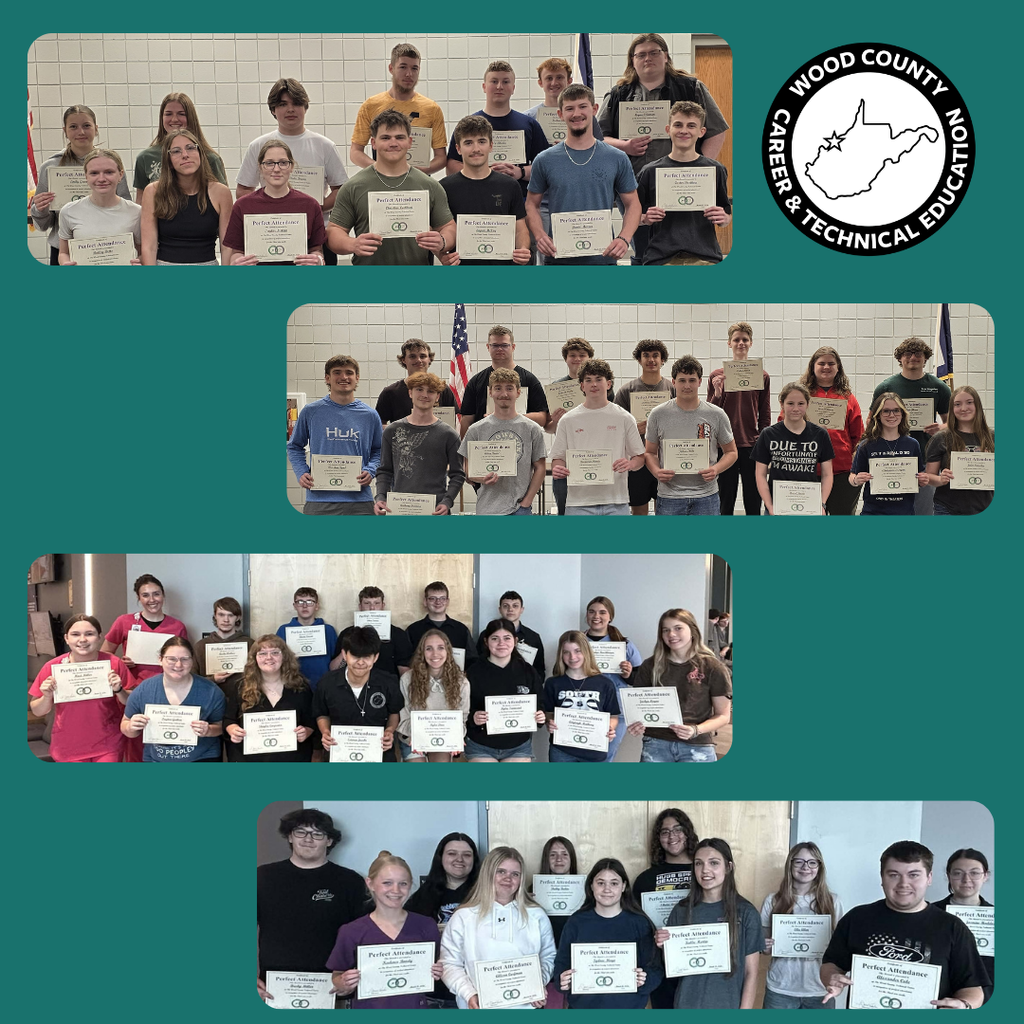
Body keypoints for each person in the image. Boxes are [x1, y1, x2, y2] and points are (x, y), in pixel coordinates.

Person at [598, 33, 729, 262]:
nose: (647, 58)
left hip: (685, 181)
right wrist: (625, 146)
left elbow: (717, 130)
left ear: (666, 56)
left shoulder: (691, 87)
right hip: (634, 185)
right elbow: (598, 138)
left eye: (654, 52)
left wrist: (699, 168)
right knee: (642, 248)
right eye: (641, 54)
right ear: (632, 60)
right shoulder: (619, 94)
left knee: (688, 244)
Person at [820, 841, 988, 1008]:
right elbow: (831, 964)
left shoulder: (953, 927)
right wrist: (831, 979)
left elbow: (973, 988)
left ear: (929, 878)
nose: (903, 884)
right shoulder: (857, 918)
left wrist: (964, 1005)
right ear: (882, 878)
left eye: (914, 875)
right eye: (893, 875)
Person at [257, 808, 368, 1003]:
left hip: (334, 988)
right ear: (290, 836)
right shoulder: (263, 877)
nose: (308, 839)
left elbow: (364, 936)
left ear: (329, 841)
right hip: (273, 989)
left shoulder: (350, 881)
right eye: (300, 832)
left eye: (317, 834)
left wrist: (352, 979)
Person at [236, 78, 347, 264]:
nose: (290, 109)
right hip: (271, 234)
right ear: (273, 109)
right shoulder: (258, 145)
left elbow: (341, 190)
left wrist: (314, 208)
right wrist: (272, 209)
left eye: (296, 103)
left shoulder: (324, 146)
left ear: (305, 107)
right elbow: (243, 191)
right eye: (282, 104)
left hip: (316, 236)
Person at [527, 84, 640, 265]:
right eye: (569, 109)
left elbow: (633, 203)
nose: (576, 113)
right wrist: (540, 235)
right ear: (560, 114)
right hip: (558, 260)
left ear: (594, 109)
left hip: (603, 260)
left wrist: (624, 238)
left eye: (582, 106)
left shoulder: (617, 157)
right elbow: (532, 204)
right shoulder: (544, 159)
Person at [329, 108, 455, 266]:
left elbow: (448, 226)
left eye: (400, 137)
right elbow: (334, 231)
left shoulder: (429, 185)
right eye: (385, 138)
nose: (393, 143)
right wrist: (353, 244)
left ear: (410, 142)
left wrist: (443, 241)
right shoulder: (353, 187)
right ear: (374, 143)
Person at [440, 846, 556, 1009]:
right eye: (501, 871)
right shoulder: (463, 916)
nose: (508, 878)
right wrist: (469, 993)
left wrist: (538, 983)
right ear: (487, 874)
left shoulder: (536, 915)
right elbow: (449, 963)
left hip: (526, 1008)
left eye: (515, 874)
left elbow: (548, 956)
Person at [327, 851, 444, 1009]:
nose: (396, 890)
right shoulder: (352, 931)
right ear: (370, 884)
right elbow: (337, 976)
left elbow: (438, 965)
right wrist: (345, 982)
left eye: (403, 883)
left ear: (411, 885)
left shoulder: (426, 925)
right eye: (387, 883)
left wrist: (438, 971)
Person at [657, 838, 764, 1009]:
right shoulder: (681, 910)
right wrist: (665, 946)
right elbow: (673, 967)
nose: (705, 870)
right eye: (699, 863)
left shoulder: (746, 912)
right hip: (686, 1006)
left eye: (714, 863)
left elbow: (751, 973)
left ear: (728, 867)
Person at [556, 858, 663, 1009]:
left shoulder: (640, 923)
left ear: (623, 886)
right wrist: (562, 980)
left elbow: (656, 970)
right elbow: (561, 965)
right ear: (591, 885)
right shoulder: (576, 922)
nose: (607, 889)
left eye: (614, 883)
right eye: (600, 883)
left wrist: (644, 980)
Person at [102, 573, 188, 761]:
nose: (152, 599)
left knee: (165, 744)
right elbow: (104, 655)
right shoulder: (124, 622)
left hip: (167, 692)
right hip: (132, 692)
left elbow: (184, 660)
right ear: (138, 598)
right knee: (135, 744)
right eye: (145, 595)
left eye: (156, 594)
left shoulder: (177, 626)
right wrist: (121, 663)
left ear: (163, 595)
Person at [525, 58, 604, 259]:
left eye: (559, 77)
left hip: (580, 203)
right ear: (540, 82)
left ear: (569, 80)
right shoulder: (529, 119)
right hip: (544, 202)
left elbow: (599, 153)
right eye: (549, 78)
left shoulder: (587, 119)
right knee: (548, 256)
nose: (554, 82)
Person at [31, 105, 132, 264]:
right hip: (64, 250)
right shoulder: (51, 167)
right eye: (73, 127)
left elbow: (126, 210)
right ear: (65, 131)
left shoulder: (111, 164)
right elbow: (43, 225)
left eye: (86, 125)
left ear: (96, 129)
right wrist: (40, 209)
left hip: (108, 248)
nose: (81, 132)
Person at [628, 609, 731, 763]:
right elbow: (640, 708)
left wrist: (695, 730)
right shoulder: (650, 666)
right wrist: (637, 723)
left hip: (697, 746)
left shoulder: (713, 667)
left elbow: (723, 716)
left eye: (678, 628)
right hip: (656, 743)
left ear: (693, 630)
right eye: (666, 630)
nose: (671, 634)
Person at [636, 100, 731, 264]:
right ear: (668, 129)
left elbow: (726, 214)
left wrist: (724, 219)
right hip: (661, 259)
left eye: (691, 126)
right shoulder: (649, 171)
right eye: (678, 125)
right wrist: (645, 218)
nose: (684, 131)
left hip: (706, 258)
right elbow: (633, 217)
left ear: (701, 132)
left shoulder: (716, 170)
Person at [286, 355, 383, 515]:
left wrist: (371, 469)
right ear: (327, 378)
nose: (344, 377)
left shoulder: (370, 415)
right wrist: (301, 472)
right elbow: (294, 446)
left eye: (349, 372)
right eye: (337, 372)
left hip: (360, 501)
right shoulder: (311, 412)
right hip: (319, 500)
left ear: (357, 378)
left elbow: (379, 450)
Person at [28, 614, 130, 762]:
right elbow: (37, 711)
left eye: (89, 634)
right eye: (75, 634)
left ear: (99, 637)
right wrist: (47, 696)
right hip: (68, 745)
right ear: (66, 638)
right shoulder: (53, 667)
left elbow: (131, 702)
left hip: (108, 744)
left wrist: (119, 690)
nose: (82, 640)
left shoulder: (114, 663)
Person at [551, 359, 646, 515]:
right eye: (588, 380)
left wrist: (630, 464)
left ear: (608, 384)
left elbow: (639, 457)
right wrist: (558, 468)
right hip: (578, 503)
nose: (593, 384)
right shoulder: (568, 420)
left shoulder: (624, 418)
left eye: (598, 379)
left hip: (616, 501)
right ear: (582, 386)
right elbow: (558, 458)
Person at [646, 355, 737, 515]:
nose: (687, 385)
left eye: (692, 380)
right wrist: (656, 471)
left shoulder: (716, 414)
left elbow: (731, 452)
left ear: (700, 381)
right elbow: (650, 452)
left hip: (706, 496)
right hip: (669, 497)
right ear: (673, 382)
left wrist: (716, 469)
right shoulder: (658, 414)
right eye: (682, 380)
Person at [445, 61, 550, 199]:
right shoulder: (467, 125)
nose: (499, 86)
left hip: (519, 201)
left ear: (513, 88)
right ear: (484, 86)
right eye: (494, 81)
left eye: (505, 82)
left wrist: (521, 172)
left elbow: (546, 167)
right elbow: (451, 166)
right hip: (477, 198)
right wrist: (480, 173)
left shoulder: (529, 125)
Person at [872, 337, 952, 515]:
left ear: (926, 358)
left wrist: (940, 428)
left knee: (924, 512)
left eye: (918, 354)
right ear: (900, 358)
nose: (913, 357)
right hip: (891, 458)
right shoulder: (886, 387)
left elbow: (952, 424)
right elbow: (872, 421)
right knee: (891, 512)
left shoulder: (939, 387)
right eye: (908, 353)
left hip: (925, 459)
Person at [760, 843, 844, 1009]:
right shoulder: (772, 900)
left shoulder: (833, 901)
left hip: (820, 989)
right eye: (799, 862)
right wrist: (765, 946)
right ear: (790, 865)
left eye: (812, 862)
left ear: (819, 867)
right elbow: (763, 947)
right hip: (780, 989)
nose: (806, 867)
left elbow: (840, 946)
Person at [440, 115, 531, 266]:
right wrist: (441, 256)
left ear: (491, 146)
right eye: (468, 143)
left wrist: (522, 249)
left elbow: (520, 229)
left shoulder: (510, 185)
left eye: (482, 141)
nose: (476, 149)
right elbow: (438, 231)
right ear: (458, 149)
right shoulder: (444, 187)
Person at [374, 372, 465, 515]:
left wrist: (447, 502)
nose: (425, 395)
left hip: (435, 511)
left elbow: (458, 475)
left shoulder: (449, 435)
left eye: (431, 391)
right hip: (400, 509)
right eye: (419, 389)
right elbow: (384, 470)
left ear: (438, 396)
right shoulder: (392, 431)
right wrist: (380, 497)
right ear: (410, 393)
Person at [634, 808, 699, 1009]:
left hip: (700, 961)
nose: (672, 836)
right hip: (661, 967)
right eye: (665, 832)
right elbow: (637, 925)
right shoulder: (645, 880)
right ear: (658, 838)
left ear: (687, 833)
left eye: (678, 829)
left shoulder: (704, 873)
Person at [121, 637, 225, 762]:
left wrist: (208, 730)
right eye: (171, 659)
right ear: (160, 659)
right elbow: (125, 725)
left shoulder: (211, 691)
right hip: (157, 759)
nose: (178, 665)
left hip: (202, 758)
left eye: (185, 659)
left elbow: (221, 727)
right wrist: (131, 727)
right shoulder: (144, 690)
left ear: (192, 661)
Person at [222, 139, 325, 265]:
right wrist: (237, 264)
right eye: (269, 163)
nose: (276, 169)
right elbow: (236, 252)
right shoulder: (242, 206)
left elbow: (316, 250)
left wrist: (318, 261)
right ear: (260, 167)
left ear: (292, 166)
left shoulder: (310, 205)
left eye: (283, 163)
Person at [351, 43, 447, 175]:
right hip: (381, 180)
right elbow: (355, 152)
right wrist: (379, 168)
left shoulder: (432, 109)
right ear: (391, 68)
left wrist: (417, 172)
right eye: (403, 67)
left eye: (414, 68)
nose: (409, 74)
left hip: (417, 181)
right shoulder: (371, 105)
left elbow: (441, 157)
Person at [460, 369, 547, 515]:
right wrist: (481, 478)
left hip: (519, 509)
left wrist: (526, 503)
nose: (504, 394)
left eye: (509, 388)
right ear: (490, 392)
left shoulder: (533, 429)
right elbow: (468, 469)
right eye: (498, 388)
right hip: (487, 509)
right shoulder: (475, 430)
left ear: (518, 392)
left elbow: (540, 467)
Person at [140, 129, 232, 265]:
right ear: (169, 161)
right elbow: (149, 247)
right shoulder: (153, 191)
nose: (185, 155)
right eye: (176, 151)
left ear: (200, 154)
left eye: (190, 148)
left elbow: (227, 246)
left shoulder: (221, 192)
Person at [707, 322, 771, 515]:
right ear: (729, 343)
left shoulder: (761, 375)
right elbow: (709, 413)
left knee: (753, 500)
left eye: (745, 339)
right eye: (736, 340)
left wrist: (763, 439)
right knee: (725, 500)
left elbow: (764, 410)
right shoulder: (716, 376)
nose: (741, 343)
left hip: (751, 444)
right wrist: (717, 393)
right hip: (725, 445)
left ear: (751, 343)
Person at [314, 626, 403, 762]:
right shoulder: (327, 683)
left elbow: (394, 712)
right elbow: (321, 713)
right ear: (344, 655)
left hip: (380, 753)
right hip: (338, 753)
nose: (361, 662)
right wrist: (325, 732)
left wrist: (390, 731)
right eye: (355, 656)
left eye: (367, 657)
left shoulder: (388, 682)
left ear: (375, 657)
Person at [546, 337, 613, 514]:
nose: (577, 359)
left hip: (598, 455)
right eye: (572, 355)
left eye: (582, 355)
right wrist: (556, 421)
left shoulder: (602, 387)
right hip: (568, 457)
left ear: (589, 357)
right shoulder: (556, 388)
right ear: (565, 359)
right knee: (565, 509)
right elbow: (548, 428)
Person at [793, 347, 864, 515]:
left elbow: (859, 435)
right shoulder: (800, 395)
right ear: (813, 366)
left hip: (841, 471)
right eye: (821, 363)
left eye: (831, 363)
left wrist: (856, 464)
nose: (826, 367)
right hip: (807, 469)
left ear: (838, 367)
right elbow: (784, 427)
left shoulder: (847, 397)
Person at [222, 634, 315, 762]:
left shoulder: (300, 686)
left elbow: (311, 721)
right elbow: (228, 719)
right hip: (251, 760)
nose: (269, 657)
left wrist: (306, 732)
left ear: (284, 656)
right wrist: (233, 730)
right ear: (254, 658)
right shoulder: (241, 687)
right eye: (262, 653)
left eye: (275, 653)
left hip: (292, 759)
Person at [465, 618, 544, 762]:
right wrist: (473, 717)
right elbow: (462, 707)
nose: (501, 643)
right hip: (480, 745)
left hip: (518, 746)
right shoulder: (473, 672)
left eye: (507, 638)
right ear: (486, 642)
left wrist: (540, 716)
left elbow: (540, 703)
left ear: (515, 641)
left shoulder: (528, 671)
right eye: (495, 638)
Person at [754, 383, 835, 516]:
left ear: (808, 404)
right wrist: (769, 505)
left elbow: (827, 474)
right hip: (777, 506)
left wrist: (821, 503)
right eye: (790, 403)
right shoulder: (768, 434)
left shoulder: (820, 434)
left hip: (809, 505)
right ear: (782, 404)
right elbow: (760, 474)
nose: (795, 408)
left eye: (801, 404)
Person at [614, 340, 675, 515]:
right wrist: (635, 430)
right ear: (639, 360)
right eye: (646, 355)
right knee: (639, 511)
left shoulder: (673, 389)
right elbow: (615, 427)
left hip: (665, 459)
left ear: (662, 360)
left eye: (655, 355)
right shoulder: (626, 391)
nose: (651, 360)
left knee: (664, 510)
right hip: (637, 459)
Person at [132, 92, 228, 202]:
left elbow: (222, 200)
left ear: (191, 117)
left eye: (181, 114)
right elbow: (141, 202)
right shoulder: (145, 158)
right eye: (168, 114)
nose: (174, 119)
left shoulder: (210, 158)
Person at [542, 631, 619, 763]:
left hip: (594, 750)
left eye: (578, 651)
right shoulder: (553, 683)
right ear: (561, 655)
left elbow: (613, 716)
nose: (572, 657)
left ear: (586, 651)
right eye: (566, 652)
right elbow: (548, 713)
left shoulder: (605, 683)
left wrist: (609, 728)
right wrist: (549, 723)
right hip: (561, 750)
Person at [458, 326, 550, 435]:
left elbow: (542, 418)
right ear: (488, 347)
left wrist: (511, 417)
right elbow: (466, 420)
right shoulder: (476, 382)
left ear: (513, 347)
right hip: (485, 443)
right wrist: (466, 446)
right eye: (495, 345)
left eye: (504, 345)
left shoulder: (529, 379)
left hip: (521, 441)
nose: (500, 349)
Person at [582, 596, 642, 763]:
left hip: (616, 710)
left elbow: (640, 679)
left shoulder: (624, 644)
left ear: (610, 617)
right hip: (583, 708)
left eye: (602, 612)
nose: (596, 616)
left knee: (605, 758)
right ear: (586, 615)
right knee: (581, 756)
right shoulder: (577, 642)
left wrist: (628, 674)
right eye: (592, 612)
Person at [396, 629, 470, 763]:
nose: (435, 654)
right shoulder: (407, 679)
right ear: (422, 653)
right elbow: (403, 717)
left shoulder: (461, 682)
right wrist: (416, 736)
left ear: (448, 651)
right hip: (412, 738)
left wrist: (456, 737)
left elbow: (462, 718)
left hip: (444, 739)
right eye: (429, 649)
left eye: (440, 648)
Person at [57, 148, 141, 264]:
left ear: (120, 175)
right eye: (94, 173)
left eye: (109, 172)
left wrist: (140, 262)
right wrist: (65, 263)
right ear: (86, 176)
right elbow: (63, 253)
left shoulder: (136, 212)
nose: (101, 179)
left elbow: (143, 252)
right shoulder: (69, 211)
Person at [931, 849, 994, 1003]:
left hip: (988, 998)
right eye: (958, 873)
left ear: (985, 876)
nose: (966, 880)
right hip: (938, 998)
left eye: (974, 873)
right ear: (948, 876)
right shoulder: (929, 913)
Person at [850, 393, 928, 516]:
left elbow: (920, 475)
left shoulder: (912, 444)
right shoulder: (866, 445)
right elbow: (852, 476)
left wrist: (923, 480)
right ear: (878, 415)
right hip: (873, 512)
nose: (892, 415)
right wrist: (856, 480)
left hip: (904, 512)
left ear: (902, 413)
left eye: (896, 410)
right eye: (886, 411)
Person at [925, 385, 995, 516]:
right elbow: (929, 476)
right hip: (947, 508)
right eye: (957, 404)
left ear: (977, 405)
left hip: (985, 506)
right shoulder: (941, 438)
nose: (963, 408)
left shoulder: (993, 438)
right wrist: (940, 479)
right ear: (952, 409)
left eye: (969, 402)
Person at [330, 586, 413, 679]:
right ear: (360, 607)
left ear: (383, 606)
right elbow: (334, 669)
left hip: (387, 685)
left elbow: (404, 671)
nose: (372, 608)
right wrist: (349, 645)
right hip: (353, 685)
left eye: (377, 603)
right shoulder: (347, 633)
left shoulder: (398, 634)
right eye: (367, 603)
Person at [375, 339, 458, 426]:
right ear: (403, 360)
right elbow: (379, 424)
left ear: (429, 359)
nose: (418, 360)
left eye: (423, 356)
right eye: (412, 356)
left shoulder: (442, 389)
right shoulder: (390, 392)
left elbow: (452, 421)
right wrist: (398, 430)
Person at [475, 591, 546, 676]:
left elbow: (539, 669)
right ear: (500, 609)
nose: (510, 609)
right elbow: (478, 662)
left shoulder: (533, 637)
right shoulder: (487, 634)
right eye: (506, 606)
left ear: (522, 609)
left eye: (515, 606)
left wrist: (531, 681)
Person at [192, 597, 253, 693]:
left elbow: (259, 677)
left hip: (244, 698)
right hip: (210, 697)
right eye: (221, 615)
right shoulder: (200, 646)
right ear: (215, 616)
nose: (226, 620)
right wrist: (213, 679)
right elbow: (191, 680)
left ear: (237, 617)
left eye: (231, 615)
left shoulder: (250, 644)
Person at [406, 582, 474, 658]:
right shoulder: (412, 630)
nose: (438, 602)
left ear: (447, 602)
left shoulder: (461, 630)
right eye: (432, 598)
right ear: (425, 602)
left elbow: (472, 659)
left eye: (442, 598)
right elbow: (406, 659)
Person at [534, 837, 580, 947]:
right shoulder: (533, 890)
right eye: (553, 855)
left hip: (575, 944)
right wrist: (527, 903)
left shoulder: (585, 889)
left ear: (572, 858)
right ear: (546, 859)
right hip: (544, 946)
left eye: (564, 854)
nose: (559, 859)